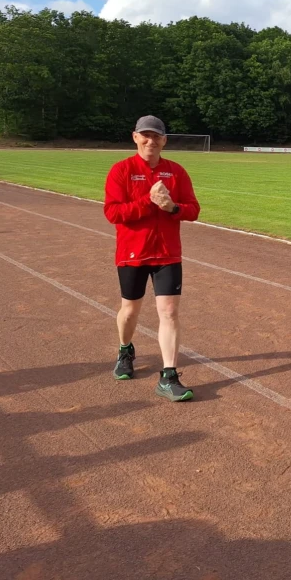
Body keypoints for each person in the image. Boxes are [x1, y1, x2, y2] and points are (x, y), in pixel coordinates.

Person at [104, 115, 200, 402]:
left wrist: (172, 207)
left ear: (164, 140)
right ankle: (125, 349)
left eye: (156, 136)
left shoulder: (176, 172)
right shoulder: (122, 170)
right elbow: (113, 213)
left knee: (169, 312)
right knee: (130, 311)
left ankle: (168, 376)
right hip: (132, 253)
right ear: (135, 137)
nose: (151, 140)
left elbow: (193, 209)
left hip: (167, 253)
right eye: (145, 135)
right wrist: (148, 201)